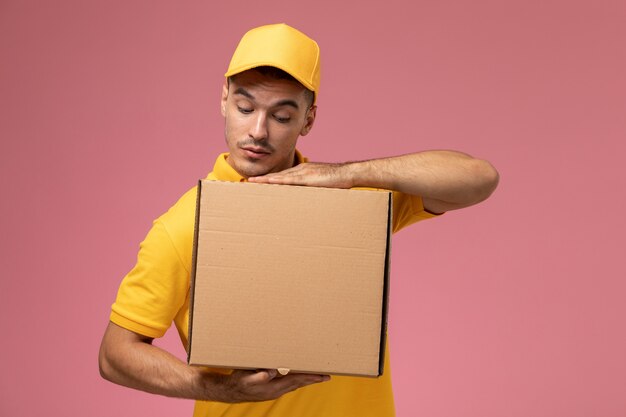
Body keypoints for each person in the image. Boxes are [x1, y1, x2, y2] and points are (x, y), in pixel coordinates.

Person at [99, 23, 499, 416]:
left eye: (282, 116)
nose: (257, 130)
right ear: (223, 99)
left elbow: (478, 178)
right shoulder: (186, 224)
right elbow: (115, 355)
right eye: (244, 107)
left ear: (308, 120)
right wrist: (221, 388)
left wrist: (344, 174)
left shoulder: (352, 207)